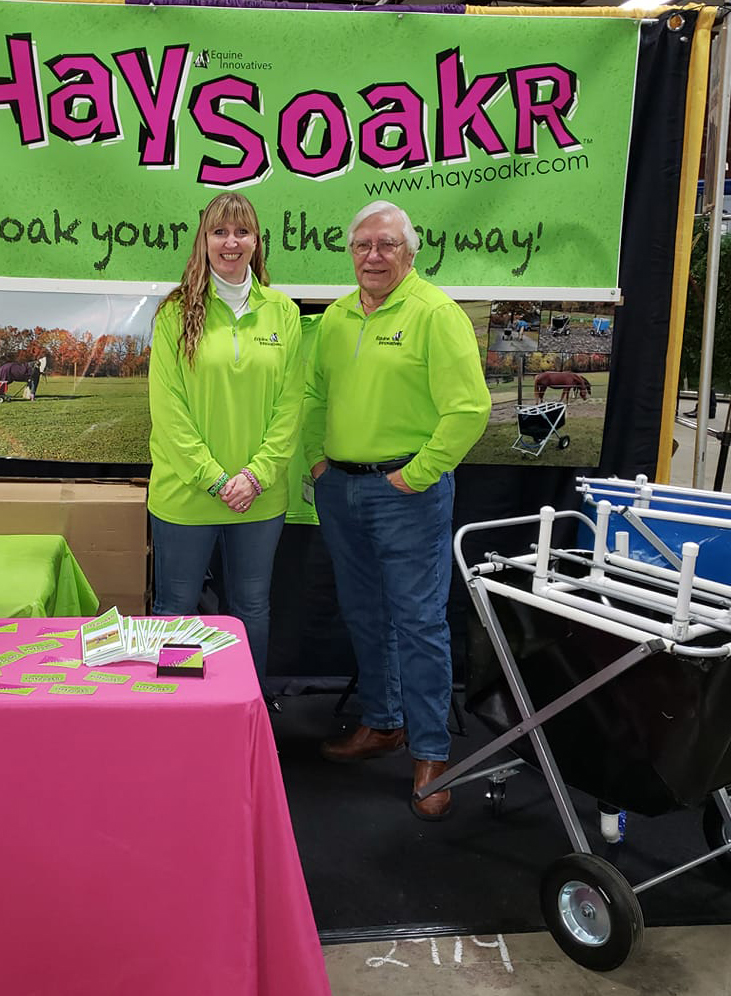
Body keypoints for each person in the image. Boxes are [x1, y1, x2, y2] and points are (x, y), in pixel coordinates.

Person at [301, 200, 491, 820]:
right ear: (351, 253)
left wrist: (419, 473)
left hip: (407, 493)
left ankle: (431, 754)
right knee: (362, 612)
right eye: (363, 245)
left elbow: (470, 409)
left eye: (386, 245)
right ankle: (383, 723)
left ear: (411, 251)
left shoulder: (436, 313)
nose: (373, 256)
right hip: (341, 488)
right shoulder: (336, 317)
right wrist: (316, 459)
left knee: (418, 622)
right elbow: (313, 394)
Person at [147, 193, 302, 684]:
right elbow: (169, 411)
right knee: (177, 608)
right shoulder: (174, 313)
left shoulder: (283, 312)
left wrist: (255, 476)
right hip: (186, 494)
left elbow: (290, 406)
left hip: (259, 496)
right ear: (204, 241)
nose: (230, 242)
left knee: (250, 607)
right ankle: (177, 707)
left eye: (241, 232)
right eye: (219, 232)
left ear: (256, 242)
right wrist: (214, 479)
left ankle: (244, 705)